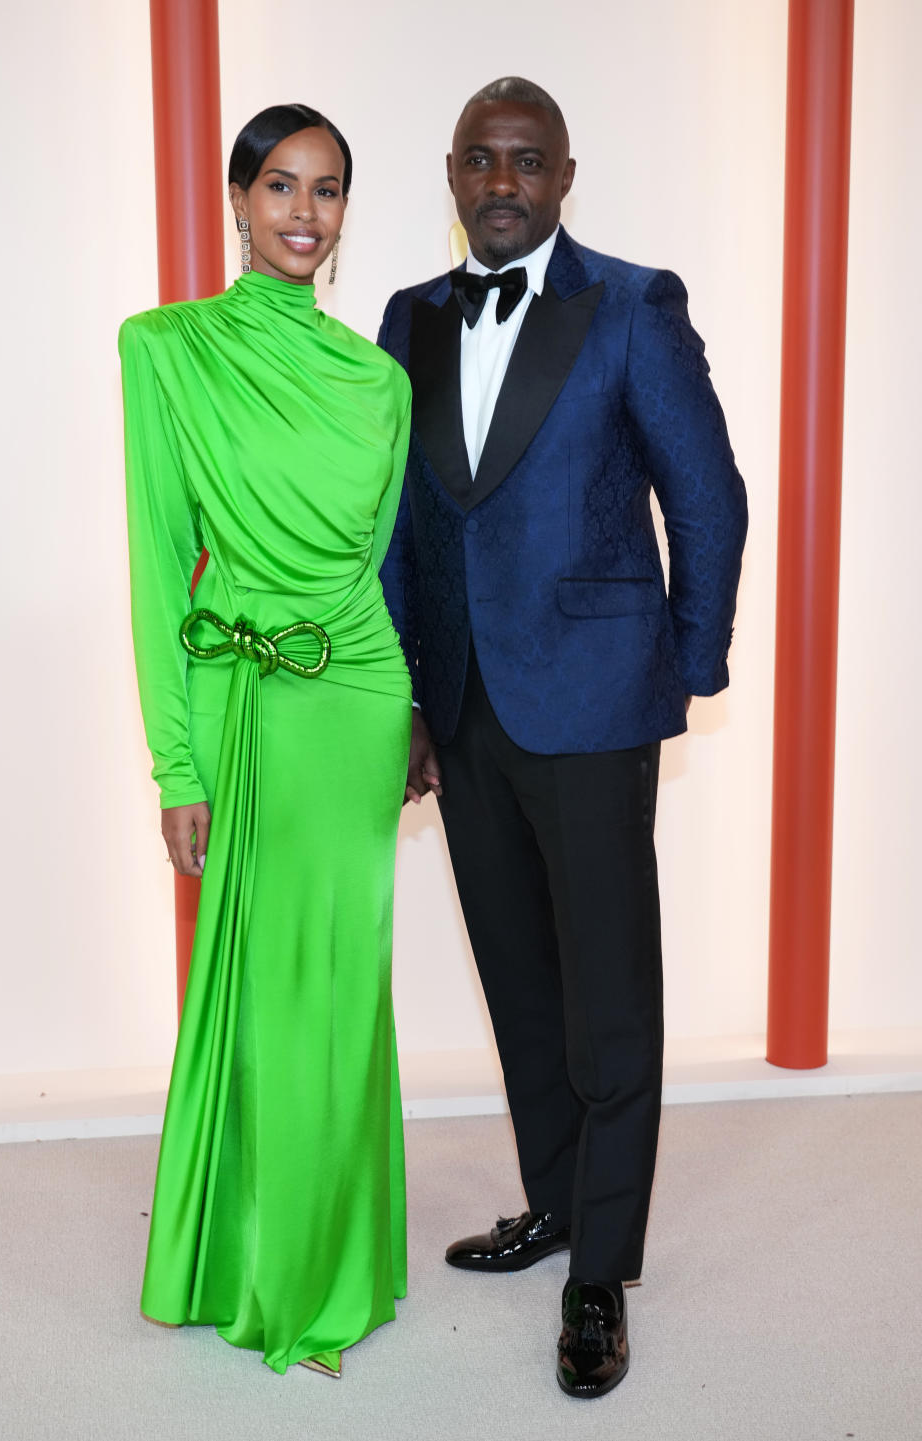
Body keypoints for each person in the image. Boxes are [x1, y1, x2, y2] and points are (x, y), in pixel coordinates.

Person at [378, 77, 747, 1397]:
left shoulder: (635, 305)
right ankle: (549, 1198)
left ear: (566, 175)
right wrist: (410, 698)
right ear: (452, 169)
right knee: (518, 976)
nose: (502, 182)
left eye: (526, 161)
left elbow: (708, 498)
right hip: (465, 705)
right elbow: (402, 527)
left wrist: (681, 671)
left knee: (608, 994)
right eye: (481, 159)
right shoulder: (409, 318)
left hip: (596, 701)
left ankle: (601, 1266)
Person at [119, 104, 412, 1378]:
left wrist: (409, 722)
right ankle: (254, 1254)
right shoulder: (164, 349)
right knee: (254, 983)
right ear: (237, 200)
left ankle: (327, 1259)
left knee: (338, 982)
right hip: (240, 701)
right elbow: (155, 565)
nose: (305, 212)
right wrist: (177, 762)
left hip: (355, 700)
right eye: (281, 186)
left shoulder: (379, 379)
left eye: (329, 190)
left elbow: (382, 569)